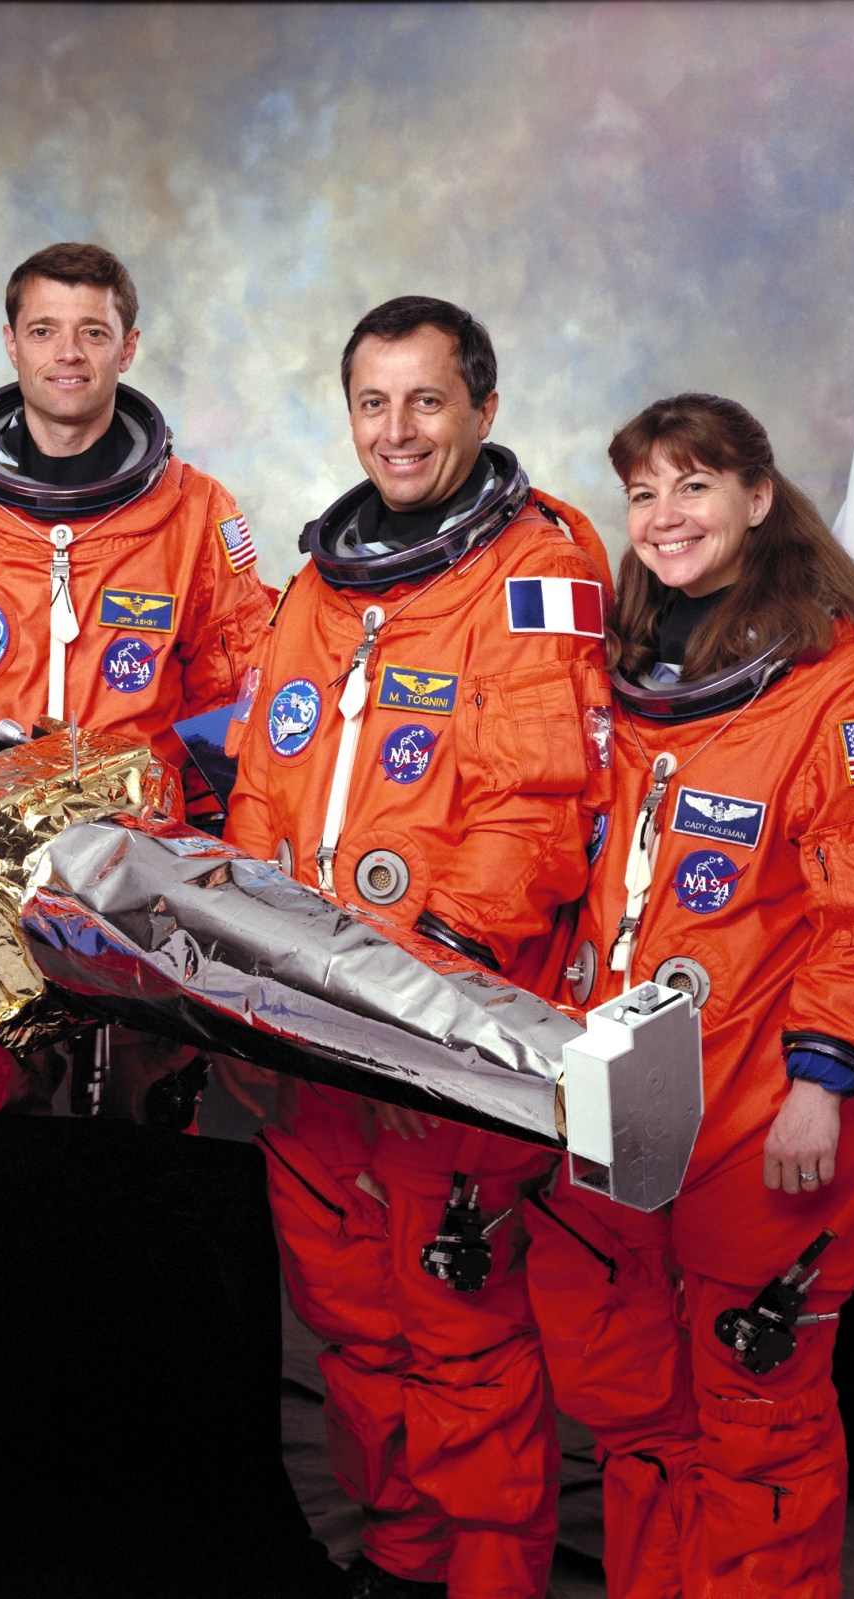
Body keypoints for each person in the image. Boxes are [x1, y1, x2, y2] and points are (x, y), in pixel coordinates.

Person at [521, 393, 854, 1598]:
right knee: (631, 1407)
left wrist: (822, 1083)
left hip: (760, 1108)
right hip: (613, 1102)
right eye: (643, 494)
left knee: (754, 1418)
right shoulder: (611, 672)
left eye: (694, 486)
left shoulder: (846, 692)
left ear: (757, 498)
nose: (664, 518)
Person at [222, 296, 613, 1599]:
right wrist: (240, 972)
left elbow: (539, 805)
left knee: (460, 1320)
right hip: (309, 1023)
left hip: (448, 1025)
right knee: (348, 1317)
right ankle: (400, 1557)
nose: (397, 430)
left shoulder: (542, 568)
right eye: (374, 403)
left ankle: (492, 1574)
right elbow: (264, 796)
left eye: (426, 400)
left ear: (483, 410)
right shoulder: (321, 590)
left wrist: (424, 975)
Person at [0, 241, 275, 1178]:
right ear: (10, 345)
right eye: (44, 330)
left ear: (128, 348)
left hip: (132, 883)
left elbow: (235, 717)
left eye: (92, 332)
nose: (68, 353)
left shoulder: (194, 513)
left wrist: (216, 891)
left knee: (134, 1164)